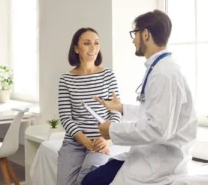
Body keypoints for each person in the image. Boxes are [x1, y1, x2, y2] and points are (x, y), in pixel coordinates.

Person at [81, 10, 198, 185]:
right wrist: (122, 108)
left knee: (91, 182)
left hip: (160, 163)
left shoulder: (165, 74)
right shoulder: (159, 68)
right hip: (147, 155)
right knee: (92, 179)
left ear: (145, 34)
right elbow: (156, 111)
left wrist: (111, 131)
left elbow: (157, 129)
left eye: (134, 33)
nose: (133, 39)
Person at [57, 27, 122, 185]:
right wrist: (86, 142)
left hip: (101, 140)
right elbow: (66, 118)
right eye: (87, 43)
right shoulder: (66, 79)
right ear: (76, 49)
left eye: (96, 43)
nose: (93, 48)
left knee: (88, 180)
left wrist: (107, 139)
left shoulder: (108, 75)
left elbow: (116, 112)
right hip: (74, 142)